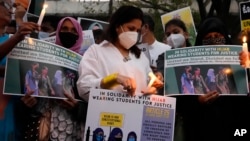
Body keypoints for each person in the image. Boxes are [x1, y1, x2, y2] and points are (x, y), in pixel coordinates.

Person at [19, 17, 86, 141]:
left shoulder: (86, 62)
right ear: (58, 31)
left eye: (73, 30)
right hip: (42, 127)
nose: (68, 33)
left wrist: (77, 107)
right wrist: (28, 103)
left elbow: (89, 101)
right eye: (64, 28)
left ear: (79, 34)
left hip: (71, 132)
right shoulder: (43, 58)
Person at [77, 6, 163, 102]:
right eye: (131, 28)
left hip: (138, 114)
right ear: (117, 26)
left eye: (138, 31)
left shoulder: (141, 57)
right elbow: (83, 88)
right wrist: (112, 79)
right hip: (108, 114)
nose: (134, 33)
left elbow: (150, 82)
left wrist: (154, 84)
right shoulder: (96, 51)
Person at [0, 0, 39, 140]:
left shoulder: (9, 39)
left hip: (11, 113)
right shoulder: (13, 40)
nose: (11, 9)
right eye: (6, 6)